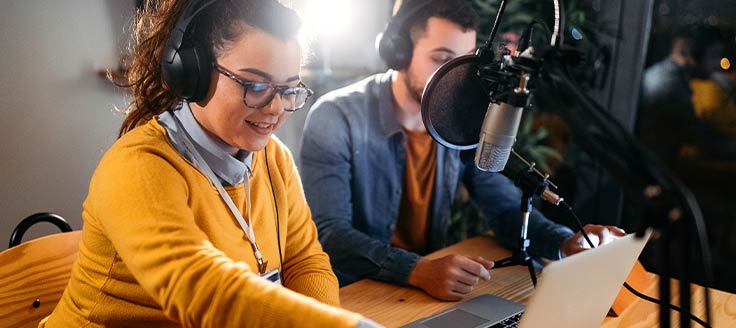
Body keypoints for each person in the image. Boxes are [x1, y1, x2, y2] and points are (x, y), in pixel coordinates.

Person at [41, 0, 379, 327]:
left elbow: (305, 262)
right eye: (256, 85)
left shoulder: (273, 158)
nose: (276, 108)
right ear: (191, 73)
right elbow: (198, 285)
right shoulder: (138, 167)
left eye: (289, 89)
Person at [300, 0, 625, 302]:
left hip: (426, 292)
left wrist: (566, 243)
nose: (454, 80)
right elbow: (331, 235)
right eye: (442, 60)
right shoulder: (336, 118)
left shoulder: (460, 120)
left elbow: (503, 208)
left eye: (462, 64)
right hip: (356, 295)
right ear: (399, 53)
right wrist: (416, 270)